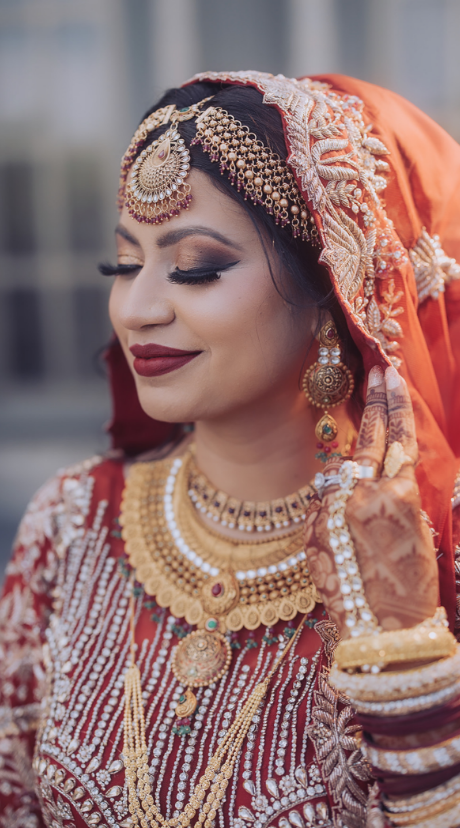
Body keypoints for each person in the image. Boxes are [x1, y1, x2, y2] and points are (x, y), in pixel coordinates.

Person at [1, 69, 460, 828]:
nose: (138, 308)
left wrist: (407, 649)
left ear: (332, 286)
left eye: (195, 268)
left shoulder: (429, 554)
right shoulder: (71, 521)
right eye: (124, 264)